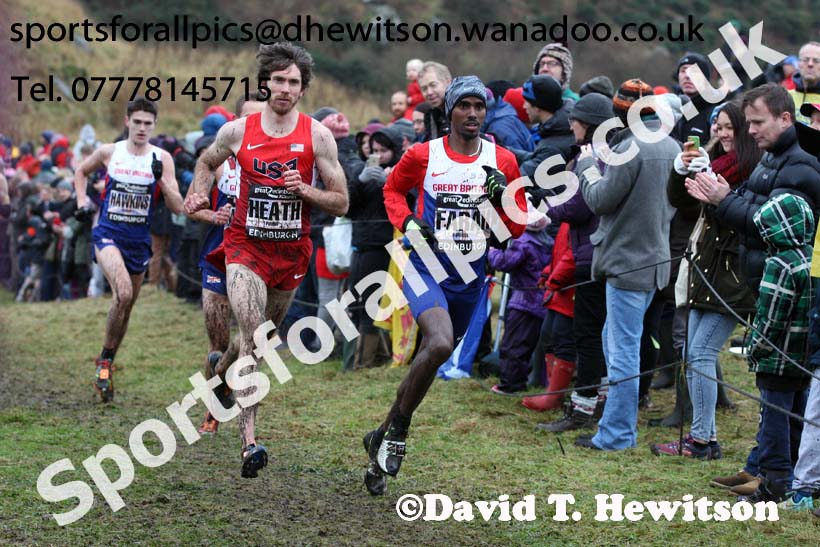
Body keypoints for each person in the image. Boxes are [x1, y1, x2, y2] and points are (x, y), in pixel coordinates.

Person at [184, 42, 348, 478]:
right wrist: (197, 191)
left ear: (303, 88)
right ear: (266, 82)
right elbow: (206, 160)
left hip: (290, 254)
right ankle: (249, 443)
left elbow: (342, 201)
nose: (285, 88)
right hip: (244, 249)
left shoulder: (318, 136)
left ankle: (220, 373)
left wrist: (305, 190)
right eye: (278, 80)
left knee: (248, 345)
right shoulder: (238, 131)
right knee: (254, 339)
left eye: (293, 82)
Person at [364, 75, 527, 495]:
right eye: (464, 106)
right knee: (437, 345)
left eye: (479, 107)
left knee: (428, 361)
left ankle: (379, 438)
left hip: (470, 277)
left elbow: (511, 232)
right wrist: (407, 222)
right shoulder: (424, 154)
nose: (472, 114)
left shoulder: (503, 161)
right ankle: (400, 428)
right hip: (425, 267)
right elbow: (393, 191)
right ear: (449, 111)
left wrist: (500, 200)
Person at [573, 80, 680, 451]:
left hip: (627, 263)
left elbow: (600, 199)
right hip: (654, 262)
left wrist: (586, 166)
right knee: (616, 342)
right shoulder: (672, 146)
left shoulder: (629, 148)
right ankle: (613, 426)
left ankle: (617, 435)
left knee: (621, 352)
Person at [652, 101, 760, 459]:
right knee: (692, 354)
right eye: (720, 126)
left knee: (700, 354)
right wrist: (680, 170)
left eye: (731, 127)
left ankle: (701, 441)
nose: (723, 133)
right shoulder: (719, 165)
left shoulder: (755, 170)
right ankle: (704, 437)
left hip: (732, 279)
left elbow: (749, 223)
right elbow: (681, 203)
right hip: (705, 272)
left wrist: (721, 194)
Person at [73, 96, 184, 402]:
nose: (142, 128)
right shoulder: (111, 152)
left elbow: (178, 207)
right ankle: (105, 364)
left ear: (154, 126)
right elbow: (81, 172)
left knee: (126, 307)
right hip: (108, 235)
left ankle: (106, 361)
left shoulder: (162, 158)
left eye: (148, 124)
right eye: (137, 122)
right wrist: (82, 202)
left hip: (138, 242)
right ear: (127, 122)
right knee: (122, 293)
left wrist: (163, 181)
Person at [193, 94, 267, 436]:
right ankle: (213, 410)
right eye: (248, 118)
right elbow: (191, 207)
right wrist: (213, 213)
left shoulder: (275, 163)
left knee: (249, 338)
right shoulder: (221, 163)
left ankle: (224, 386)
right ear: (235, 122)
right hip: (218, 257)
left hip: (258, 260)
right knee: (218, 342)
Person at [742, 193, 814, 502]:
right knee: (797, 415)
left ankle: (774, 481)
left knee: (772, 419)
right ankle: (796, 471)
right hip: (804, 359)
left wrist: (754, 349)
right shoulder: (811, 257)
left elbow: (770, 319)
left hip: (776, 359)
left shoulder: (780, 265)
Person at [418, 61, 453, 141]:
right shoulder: (431, 116)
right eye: (424, 89)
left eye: (433, 85)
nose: (429, 92)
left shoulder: (464, 110)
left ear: (448, 82)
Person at [789, 42, 820, 124]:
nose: (810, 64)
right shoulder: (785, 97)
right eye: (805, 60)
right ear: (798, 64)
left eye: (816, 61)